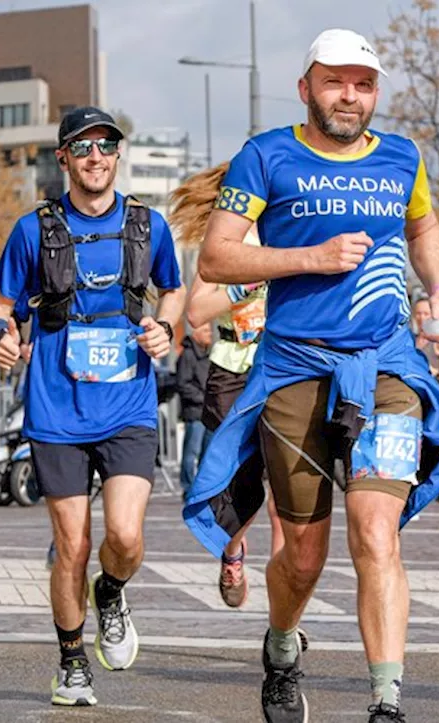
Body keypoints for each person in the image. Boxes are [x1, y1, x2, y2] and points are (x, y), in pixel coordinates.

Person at [183, 28, 439, 723]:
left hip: (387, 371)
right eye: (335, 81)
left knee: (377, 533)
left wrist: (437, 287)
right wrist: (310, 258)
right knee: (303, 556)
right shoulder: (266, 156)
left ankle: (386, 699)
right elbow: (217, 261)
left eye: (363, 84)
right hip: (295, 370)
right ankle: (282, 646)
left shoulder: (402, 157)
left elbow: (424, 227)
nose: (350, 95)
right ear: (306, 86)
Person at [0, 106, 183, 707]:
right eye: (83, 147)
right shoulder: (32, 230)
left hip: (128, 405)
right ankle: (71, 663)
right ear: (64, 158)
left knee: (124, 536)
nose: (96, 156)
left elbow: (173, 290)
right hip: (56, 409)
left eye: (106, 145)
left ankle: (112, 589)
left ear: (118, 156)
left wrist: (166, 330)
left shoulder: (149, 226)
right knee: (71, 544)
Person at [173, 162, 286, 609]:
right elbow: (197, 311)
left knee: (286, 495)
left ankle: (285, 603)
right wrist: (246, 285)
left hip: (282, 367)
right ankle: (233, 550)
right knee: (242, 486)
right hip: (231, 371)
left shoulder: (287, 229)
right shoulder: (223, 242)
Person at [176, 323, 213, 497]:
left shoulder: (208, 355)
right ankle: (188, 487)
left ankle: (202, 488)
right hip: (195, 413)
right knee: (191, 452)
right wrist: (203, 398)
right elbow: (183, 385)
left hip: (208, 412)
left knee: (207, 453)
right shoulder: (188, 356)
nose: (210, 334)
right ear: (196, 333)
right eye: (206, 330)